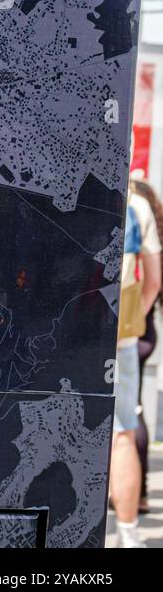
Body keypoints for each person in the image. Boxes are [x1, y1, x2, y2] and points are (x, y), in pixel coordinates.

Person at [112, 175, 161, 547]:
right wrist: (133, 321)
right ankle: (128, 536)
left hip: (60, 336)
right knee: (124, 435)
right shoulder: (135, 202)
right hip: (120, 339)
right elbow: (154, 279)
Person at [131, 176, 163, 512]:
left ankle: (136, 491)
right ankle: (137, 491)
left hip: (135, 329)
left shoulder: (134, 218)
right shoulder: (153, 230)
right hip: (144, 328)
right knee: (133, 409)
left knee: (129, 413)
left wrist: (132, 319)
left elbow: (151, 283)